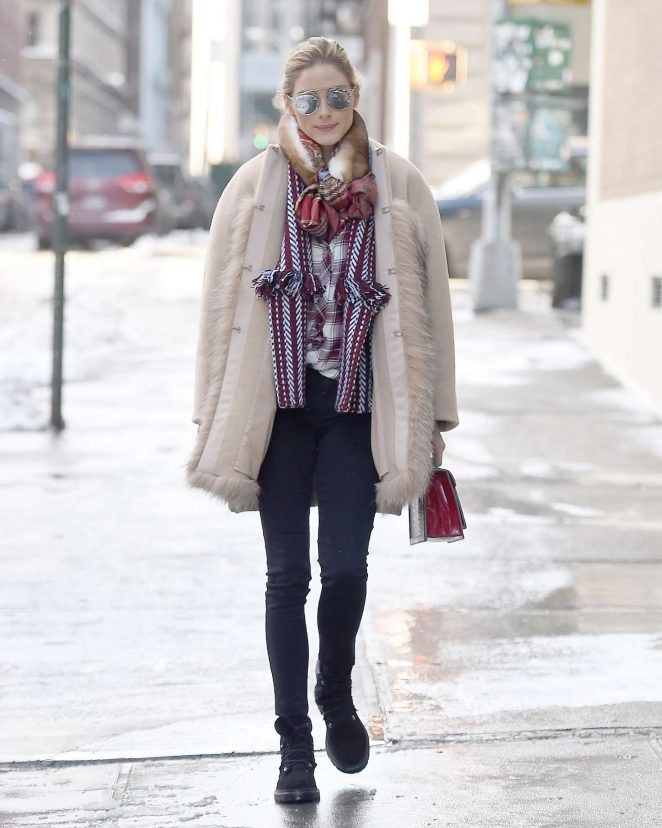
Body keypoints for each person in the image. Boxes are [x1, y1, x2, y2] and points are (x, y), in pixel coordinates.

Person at [187, 36, 458, 804]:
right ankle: (294, 748)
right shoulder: (253, 186)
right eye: (309, 99)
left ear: (355, 99)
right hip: (278, 415)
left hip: (353, 414)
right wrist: (209, 412)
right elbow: (218, 310)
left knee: (344, 569)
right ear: (288, 104)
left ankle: (333, 693)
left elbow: (432, 305)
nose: (325, 111)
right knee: (286, 578)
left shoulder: (399, 183)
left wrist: (435, 417)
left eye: (338, 96)